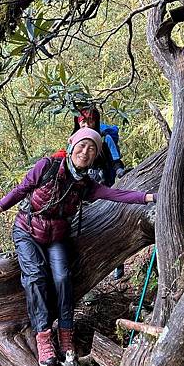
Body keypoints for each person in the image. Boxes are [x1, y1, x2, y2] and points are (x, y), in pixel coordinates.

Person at [0, 127, 156, 366]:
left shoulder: (86, 185)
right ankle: (43, 338)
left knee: (63, 279)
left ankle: (66, 334)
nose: (85, 151)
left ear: (95, 157)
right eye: (82, 145)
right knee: (36, 277)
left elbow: (117, 195)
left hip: (57, 236)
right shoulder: (47, 166)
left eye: (92, 149)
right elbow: (21, 190)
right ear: (72, 146)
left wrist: (149, 198)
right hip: (27, 231)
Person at [73, 106, 127, 280]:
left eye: (90, 120)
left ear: (96, 121)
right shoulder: (74, 141)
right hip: (83, 193)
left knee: (112, 227)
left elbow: (116, 161)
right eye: (82, 121)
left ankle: (117, 265)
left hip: (105, 190)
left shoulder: (105, 139)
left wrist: (121, 173)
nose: (87, 124)